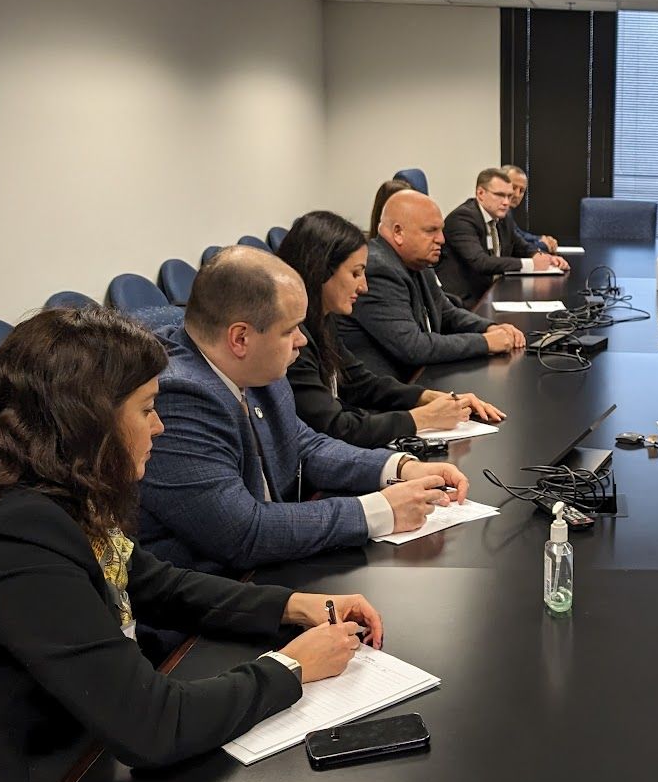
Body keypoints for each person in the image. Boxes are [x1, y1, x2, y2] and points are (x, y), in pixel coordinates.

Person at [0, 308, 384, 782]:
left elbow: (155, 583)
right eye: (147, 408)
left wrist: (292, 605)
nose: (160, 427)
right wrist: (291, 668)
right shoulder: (8, 534)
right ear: (88, 420)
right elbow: (153, 727)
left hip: (61, 761)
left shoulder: (47, 489)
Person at [137, 246, 468, 575]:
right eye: (289, 330)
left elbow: (303, 446)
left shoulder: (253, 367)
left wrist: (398, 467)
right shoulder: (177, 397)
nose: (302, 340)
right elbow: (243, 533)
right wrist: (379, 511)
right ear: (240, 338)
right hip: (217, 589)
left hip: (269, 565)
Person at [276, 210, 507, 448]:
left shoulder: (322, 319)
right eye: (355, 273)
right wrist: (423, 418)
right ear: (321, 270)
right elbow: (335, 427)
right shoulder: (294, 340)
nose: (364, 287)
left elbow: (359, 383)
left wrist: (430, 398)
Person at [340, 189, 527, 375]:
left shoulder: (418, 262)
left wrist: (489, 327)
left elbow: (446, 313)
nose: (441, 239)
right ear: (398, 232)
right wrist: (486, 342)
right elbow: (413, 347)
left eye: (440, 230)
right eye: (431, 231)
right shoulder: (378, 269)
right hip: (392, 386)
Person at [436, 167, 568, 308]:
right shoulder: (462, 218)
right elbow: (481, 262)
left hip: (494, 290)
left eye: (509, 196)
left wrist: (544, 257)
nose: (506, 202)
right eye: (499, 195)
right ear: (480, 193)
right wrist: (532, 264)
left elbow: (520, 245)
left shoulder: (503, 215)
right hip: (466, 301)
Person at [502, 164, 557, 253]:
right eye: (513, 187)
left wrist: (541, 238)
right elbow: (516, 246)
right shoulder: (498, 212)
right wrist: (544, 245)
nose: (517, 195)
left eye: (522, 190)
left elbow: (519, 234)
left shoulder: (507, 212)